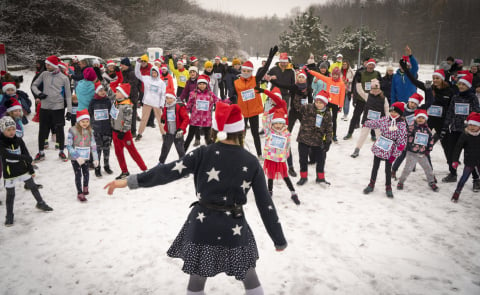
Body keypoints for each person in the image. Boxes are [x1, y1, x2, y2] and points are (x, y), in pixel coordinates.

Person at [105, 101, 287, 295]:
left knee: (197, 279)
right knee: (249, 275)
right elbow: (265, 204)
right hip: (234, 227)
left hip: (203, 225)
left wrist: (131, 181)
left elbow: (167, 171)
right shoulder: (251, 161)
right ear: (241, 131)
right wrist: (279, 239)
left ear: (216, 130)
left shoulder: (202, 153)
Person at [0, 116, 52, 226]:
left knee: (33, 186)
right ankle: (9, 215)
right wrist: (24, 158)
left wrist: (31, 169)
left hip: (23, 170)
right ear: (2, 130)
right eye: (8, 130)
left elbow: (26, 153)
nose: (12, 132)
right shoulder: (1, 142)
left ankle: (40, 203)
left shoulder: (18, 140)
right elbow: (7, 155)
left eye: (13, 129)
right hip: (10, 173)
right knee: (10, 195)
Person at [235, 46, 278, 158]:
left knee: (255, 134)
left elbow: (264, 69)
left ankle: (259, 154)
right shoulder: (236, 82)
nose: (246, 73)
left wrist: (270, 57)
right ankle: (239, 152)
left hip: (253, 111)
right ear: (241, 70)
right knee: (241, 134)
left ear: (251, 72)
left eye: (248, 71)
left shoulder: (255, 80)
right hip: (242, 112)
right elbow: (233, 96)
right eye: (244, 71)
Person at [31, 55, 73, 162]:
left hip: (58, 107)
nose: (46, 65)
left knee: (59, 130)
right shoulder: (44, 74)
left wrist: (69, 110)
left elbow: (68, 95)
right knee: (42, 130)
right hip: (45, 107)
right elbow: (34, 85)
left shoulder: (64, 78)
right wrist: (39, 94)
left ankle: (61, 152)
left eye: (48, 64)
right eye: (46, 63)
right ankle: (40, 153)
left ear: (54, 65)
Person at [362, 102, 407, 198]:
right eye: (392, 111)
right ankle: (371, 184)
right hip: (380, 145)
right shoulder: (385, 119)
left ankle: (388, 187)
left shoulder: (402, 125)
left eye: (396, 112)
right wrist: (366, 122)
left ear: (400, 113)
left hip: (391, 149)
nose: (393, 113)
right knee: (375, 166)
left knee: (388, 169)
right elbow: (376, 123)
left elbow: (402, 141)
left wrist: (395, 154)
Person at [441, 73, 480, 183]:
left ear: (468, 86)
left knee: (471, 155)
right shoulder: (455, 97)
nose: (461, 86)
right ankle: (453, 174)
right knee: (452, 153)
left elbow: (476, 112)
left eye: (464, 84)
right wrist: (445, 127)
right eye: (460, 84)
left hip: (468, 131)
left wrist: (470, 121)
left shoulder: (473, 98)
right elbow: (449, 113)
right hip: (454, 130)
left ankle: (476, 179)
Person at [295, 90, 333, 186]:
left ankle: (320, 178)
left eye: (321, 103)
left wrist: (328, 141)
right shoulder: (308, 107)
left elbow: (329, 128)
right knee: (303, 159)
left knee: (321, 160)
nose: (318, 104)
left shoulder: (327, 114)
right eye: (317, 102)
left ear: (325, 103)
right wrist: (298, 95)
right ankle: (303, 177)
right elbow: (297, 107)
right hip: (304, 137)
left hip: (318, 140)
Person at [262, 108, 300, 205]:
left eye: (280, 123)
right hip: (270, 158)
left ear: (283, 124)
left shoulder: (286, 133)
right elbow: (265, 121)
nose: (278, 126)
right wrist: (268, 112)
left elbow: (287, 146)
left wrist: (285, 156)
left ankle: (293, 192)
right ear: (273, 124)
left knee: (285, 176)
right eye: (276, 123)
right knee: (270, 176)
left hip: (280, 160)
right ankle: (269, 192)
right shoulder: (269, 132)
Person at [111, 83, 148, 180]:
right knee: (118, 153)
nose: (116, 93)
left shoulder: (127, 105)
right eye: (116, 91)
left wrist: (123, 132)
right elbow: (108, 91)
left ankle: (145, 169)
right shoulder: (115, 102)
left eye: (118, 91)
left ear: (123, 94)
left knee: (132, 152)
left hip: (124, 134)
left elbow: (128, 121)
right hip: (115, 132)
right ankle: (124, 171)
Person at [396, 109, 438, 192]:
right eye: (419, 118)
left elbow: (431, 141)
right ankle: (401, 182)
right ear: (415, 118)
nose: (420, 119)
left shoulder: (428, 130)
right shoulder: (412, 127)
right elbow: (406, 135)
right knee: (407, 169)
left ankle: (431, 182)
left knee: (428, 168)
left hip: (422, 154)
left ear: (425, 119)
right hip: (411, 152)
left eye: (422, 118)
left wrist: (428, 150)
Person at [350, 79, 389, 158]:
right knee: (363, 135)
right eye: (373, 88)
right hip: (368, 120)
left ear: (379, 88)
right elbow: (360, 91)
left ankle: (381, 151)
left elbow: (387, 109)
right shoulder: (367, 96)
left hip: (378, 121)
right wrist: (358, 83)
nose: (375, 90)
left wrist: (387, 120)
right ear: (371, 89)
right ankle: (357, 149)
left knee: (379, 136)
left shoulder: (383, 98)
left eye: (376, 89)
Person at [344, 58, 382, 140]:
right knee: (355, 117)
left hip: (372, 100)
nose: (371, 66)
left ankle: (373, 135)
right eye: (369, 64)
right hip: (361, 99)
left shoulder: (377, 74)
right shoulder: (360, 73)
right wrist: (355, 97)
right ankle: (350, 133)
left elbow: (380, 86)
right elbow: (357, 86)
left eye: (372, 65)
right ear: (367, 65)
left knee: (373, 118)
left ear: (374, 66)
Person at [66, 109, 99, 202]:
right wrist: (77, 156)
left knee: (86, 172)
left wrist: (95, 158)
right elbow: (68, 145)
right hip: (75, 157)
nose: (85, 123)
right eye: (82, 121)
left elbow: (93, 145)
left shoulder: (90, 131)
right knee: (78, 174)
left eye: (87, 121)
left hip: (85, 156)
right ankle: (79, 192)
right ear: (78, 121)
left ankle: (85, 187)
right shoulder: (72, 130)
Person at [307, 67, 346, 142]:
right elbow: (319, 75)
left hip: (335, 104)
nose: (334, 76)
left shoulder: (341, 84)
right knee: (323, 117)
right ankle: (321, 133)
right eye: (333, 75)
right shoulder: (328, 80)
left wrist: (341, 106)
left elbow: (342, 95)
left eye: (336, 75)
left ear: (339, 75)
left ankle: (334, 135)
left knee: (334, 120)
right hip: (327, 102)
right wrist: (310, 71)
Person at [184, 75, 222, 151]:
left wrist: (230, 100)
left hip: (206, 120)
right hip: (194, 120)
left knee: (208, 139)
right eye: (200, 84)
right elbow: (188, 106)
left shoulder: (210, 94)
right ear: (197, 85)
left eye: (204, 84)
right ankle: (182, 156)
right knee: (189, 138)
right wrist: (183, 115)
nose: (202, 85)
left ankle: (213, 154)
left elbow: (219, 102)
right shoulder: (193, 94)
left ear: (206, 85)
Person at [134, 59, 166, 141]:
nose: (153, 74)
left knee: (160, 120)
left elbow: (163, 94)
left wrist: (162, 104)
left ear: (158, 73)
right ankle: (140, 133)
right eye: (152, 72)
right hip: (147, 102)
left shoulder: (161, 83)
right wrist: (138, 64)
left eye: (155, 72)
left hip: (157, 104)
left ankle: (164, 134)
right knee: (144, 119)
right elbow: (137, 74)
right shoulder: (147, 79)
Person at [451, 112, 480, 201]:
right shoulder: (465, 135)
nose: (472, 127)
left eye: (475, 125)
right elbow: (458, 148)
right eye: (470, 124)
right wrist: (455, 160)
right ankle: (457, 192)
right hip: (469, 161)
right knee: (464, 178)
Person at [88, 82, 113, 177]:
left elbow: (111, 112)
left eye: (104, 90)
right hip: (97, 130)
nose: (102, 92)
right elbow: (90, 113)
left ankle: (106, 166)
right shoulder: (93, 101)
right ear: (96, 91)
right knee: (97, 150)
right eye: (100, 90)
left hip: (107, 129)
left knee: (107, 149)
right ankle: (97, 168)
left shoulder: (108, 101)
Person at [158, 89, 189, 164]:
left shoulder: (179, 107)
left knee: (180, 150)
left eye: (170, 98)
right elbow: (165, 114)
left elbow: (186, 119)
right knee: (165, 148)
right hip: (169, 132)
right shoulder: (166, 106)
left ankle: (183, 164)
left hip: (178, 132)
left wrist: (181, 129)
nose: (169, 100)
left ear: (174, 98)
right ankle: (161, 163)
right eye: (167, 98)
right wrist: (163, 117)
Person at [119, 58, 140, 137]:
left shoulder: (132, 73)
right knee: (125, 114)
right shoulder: (124, 72)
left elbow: (131, 85)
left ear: (127, 65)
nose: (122, 66)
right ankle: (127, 130)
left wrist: (122, 85)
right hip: (125, 96)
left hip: (131, 96)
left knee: (132, 114)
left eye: (123, 65)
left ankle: (133, 131)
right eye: (121, 65)